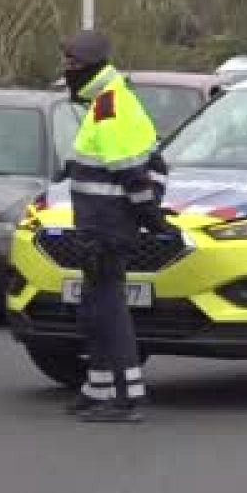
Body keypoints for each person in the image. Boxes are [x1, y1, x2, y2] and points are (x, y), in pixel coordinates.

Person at [59, 30, 174, 423]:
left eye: (73, 63)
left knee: (108, 309)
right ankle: (99, 389)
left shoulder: (109, 105)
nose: (67, 70)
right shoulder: (106, 100)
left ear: (92, 65)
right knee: (94, 308)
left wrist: (153, 220)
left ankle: (126, 397)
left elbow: (131, 174)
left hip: (108, 226)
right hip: (100, 224)